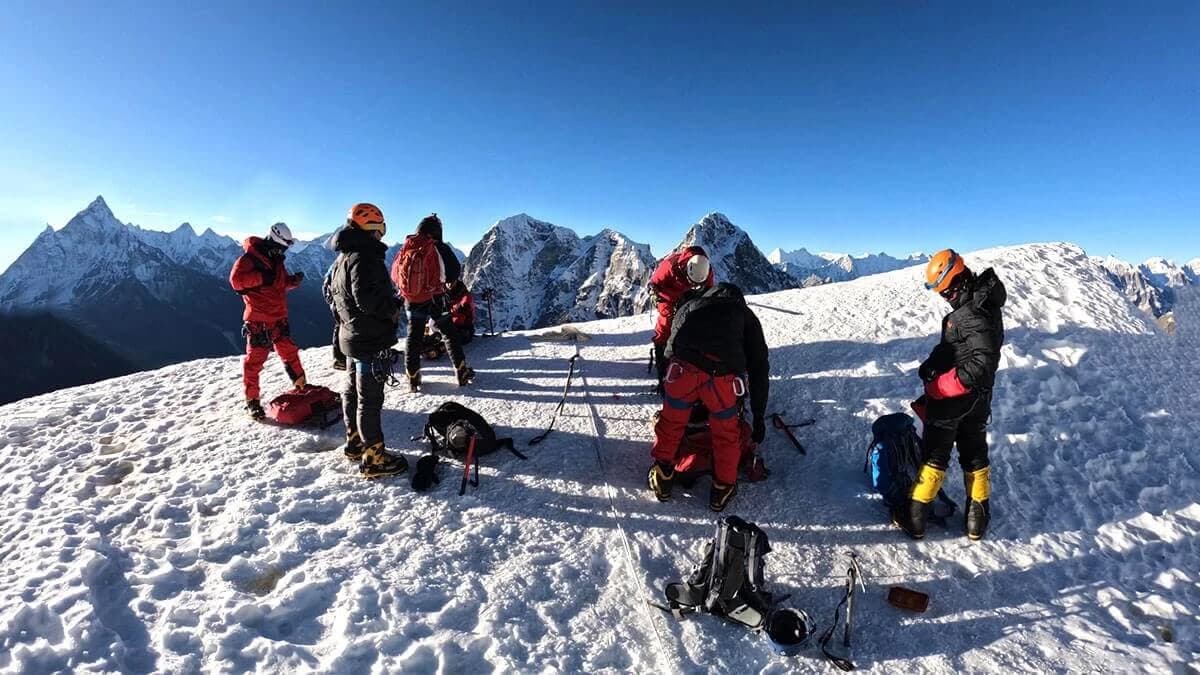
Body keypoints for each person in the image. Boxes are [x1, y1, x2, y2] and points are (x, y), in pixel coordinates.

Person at [894, 249, 1006, 541]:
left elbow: (983, 362)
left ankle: (915, 517)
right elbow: (958, 346)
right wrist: (933, 362)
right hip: (978, 400)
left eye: (947, 291)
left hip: (954, 400)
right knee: (974, 453)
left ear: (959, 279)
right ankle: (976, 519)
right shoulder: (981, 302)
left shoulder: (972, 313)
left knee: (935, 454)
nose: (946, 297)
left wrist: (941, 386)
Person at [648, 282, 769, 512]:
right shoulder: (746, 315)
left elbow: (669, 349)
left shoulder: (691, 305)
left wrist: (668, 391)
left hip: (683, 370)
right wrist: (759, 417)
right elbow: (759, 369)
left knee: (672, 422)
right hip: (721, 378)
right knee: (726, 433)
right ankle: (722, 488)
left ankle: (663, 473)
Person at [328, 203, 408, 478]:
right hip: (369, 339)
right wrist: (393, 306)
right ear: (374, 227)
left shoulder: (343, 258)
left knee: (352, 393)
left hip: (351, 336)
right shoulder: (366, 257)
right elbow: (368, 300)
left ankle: (355, 442)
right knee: (370, 400)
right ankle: (374, 458)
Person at [229, 222, 307, 420]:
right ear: (273, 240)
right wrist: (261, 277)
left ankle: (302, 387)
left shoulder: (276, 260)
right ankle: (252, 402)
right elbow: (236, 282)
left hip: (278, 318)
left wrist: (292, 281)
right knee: (254, 363)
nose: (283, 251)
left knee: (290, 354)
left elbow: (278, 283)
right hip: (259, 321)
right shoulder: (249, 259)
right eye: (282, 246)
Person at [391, 214, 474, 392]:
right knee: (449, 333)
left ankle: (413, 377)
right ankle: (461, 371)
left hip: (412, 300)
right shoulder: (439, 247)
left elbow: (395, 275)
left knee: (413, 336)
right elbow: (453, 273)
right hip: (437, 297)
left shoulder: (407, 246)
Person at [648, 246, 714, 388]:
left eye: (697, 284)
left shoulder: (706, 270)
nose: (693, 284)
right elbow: (655, 284)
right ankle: (662, 360)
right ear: (687, 269)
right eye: (692, 281)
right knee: (666, 324)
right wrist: (658, 297)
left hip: (691, 297)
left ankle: (691, 356)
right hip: (669, 296)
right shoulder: (670, 265)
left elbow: (709, 292)